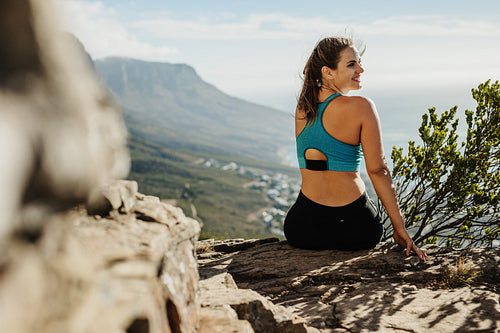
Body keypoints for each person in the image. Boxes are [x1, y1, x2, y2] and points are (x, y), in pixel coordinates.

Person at [284, 37, 427, 261]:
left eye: (359, 62)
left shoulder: (304, 107)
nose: (360, 69)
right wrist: (399, 227)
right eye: (352, 64)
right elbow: (378, 170)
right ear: (328, 72)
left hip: (303, 228)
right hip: (355, 228)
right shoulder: (362, 107)